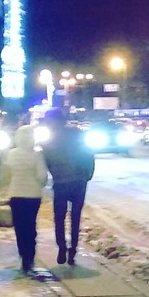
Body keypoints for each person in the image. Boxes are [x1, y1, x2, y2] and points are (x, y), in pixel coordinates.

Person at [41, 111, 95, 266]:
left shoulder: (49, 141)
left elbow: (47, 162)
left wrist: (55, 174)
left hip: (61, 183)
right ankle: (73, 250)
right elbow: (89, 156)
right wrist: (87, 175)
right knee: (75, 217)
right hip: (79, 182)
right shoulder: (78, 135)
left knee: (59, 217)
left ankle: (62, 247)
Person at [0, 123, 49, 275]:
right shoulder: (37, 155)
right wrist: (39, 184)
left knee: (20, 227)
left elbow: (5, 176)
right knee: (30, 226)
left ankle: (23, 256)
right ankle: (30, 258)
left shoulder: (11, 154)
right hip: (33, 196)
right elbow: (42, 177)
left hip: (16, 194)